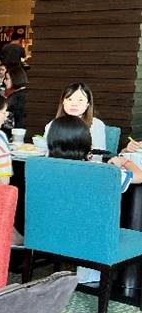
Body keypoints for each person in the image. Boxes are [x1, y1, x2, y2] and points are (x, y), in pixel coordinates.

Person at [48, 116, 142, 285]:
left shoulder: (43, 166)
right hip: (91, 240)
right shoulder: (101, 172)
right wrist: (125, 161)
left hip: (52, 233)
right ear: (87, 142)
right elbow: (140, 176)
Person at [44, 82, 107, 154]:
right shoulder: (52, 124)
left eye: (80, 100)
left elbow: (98, 155)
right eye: (69, 99)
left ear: (87, 104)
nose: (74, 104)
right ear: (63, 102)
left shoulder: (96, 125)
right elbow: (46, 152)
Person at [2, 64, 28, 131]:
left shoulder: (14, 97)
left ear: (15, 78)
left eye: (7, 78)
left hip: (16, 131)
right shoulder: (28, 92)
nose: (4, 81)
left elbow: (7, 123)